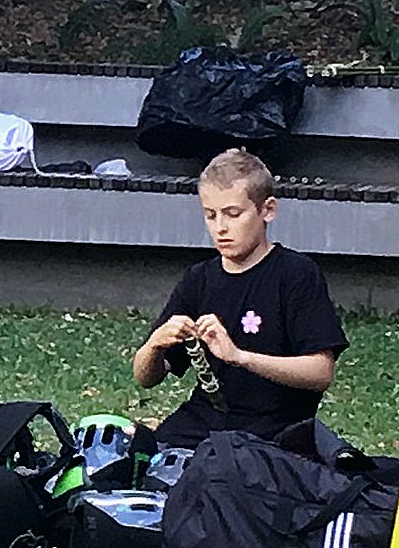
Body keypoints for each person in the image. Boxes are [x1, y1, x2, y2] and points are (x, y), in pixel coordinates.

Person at [132, 149, 347, 454]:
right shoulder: (200, 279)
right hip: (202, 422)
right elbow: (145, 378)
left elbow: (320, 373)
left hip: (273, 431)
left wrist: (239, 356)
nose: (220, 227)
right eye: (210, 215)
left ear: (267, 210)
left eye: (233, 214)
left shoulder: (295, 274)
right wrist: (154, 344)